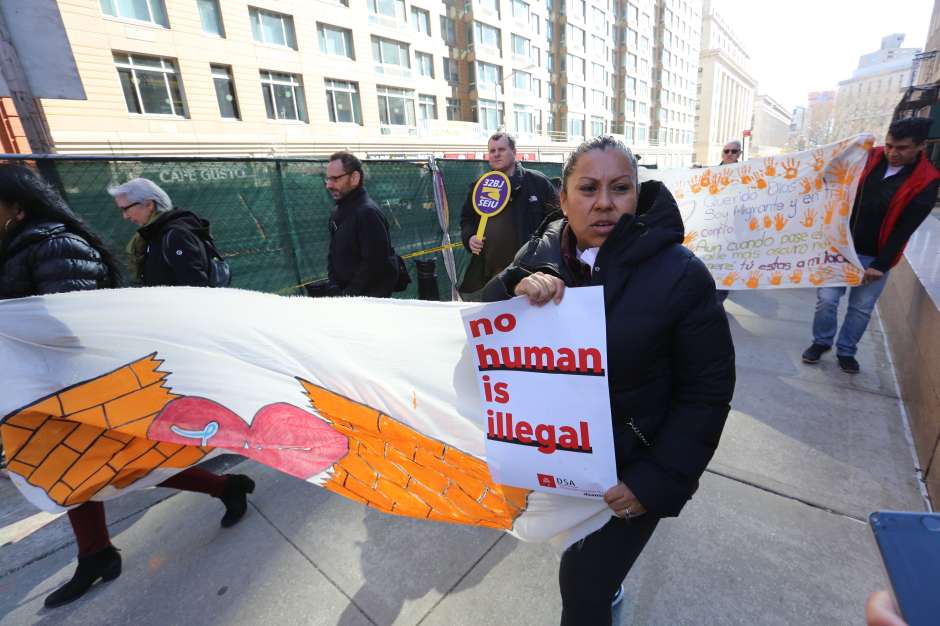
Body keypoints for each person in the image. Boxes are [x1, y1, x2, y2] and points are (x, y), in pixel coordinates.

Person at [481, 136, 735, 625]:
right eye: (588, 188)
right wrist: (513, 288)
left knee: (583, 585)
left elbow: (706, 392)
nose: (603, 203)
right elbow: (481, 322)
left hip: (631, 472)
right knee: (588, 572)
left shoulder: (682, 275)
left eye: (619, 189)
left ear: (636, 196)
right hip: (556, 460)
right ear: (563, 197)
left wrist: (654, 481)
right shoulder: (542, 247)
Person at [0, 165, 254, 608]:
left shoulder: (65, 245)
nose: (122, 216)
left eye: (127, 207)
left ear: (16, 208)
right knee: (88, 470)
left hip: (82, 384)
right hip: (52, 388)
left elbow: (81, 320)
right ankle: (97, 553)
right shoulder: (30, 246)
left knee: (125, 464)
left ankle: (223, 487)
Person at [802, 117, 940, 373]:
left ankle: (846, 351)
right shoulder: (868, 156)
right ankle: (821, 342)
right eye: (889, 145)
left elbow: (905, 228)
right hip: (840, 249)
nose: (892, 153)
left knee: (861, 308)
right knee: (826, 299)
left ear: (921, 146)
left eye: (901, 148)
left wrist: (881, 264)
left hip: (874, 257)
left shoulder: (927, 181)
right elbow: (830, 174)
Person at [459, 133, 559, 296]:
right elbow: (467, 220)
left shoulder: (537, 182)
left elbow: (557, 222)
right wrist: (469, 237)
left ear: (514, 152)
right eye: (492, 151)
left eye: (502, 149)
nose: (496, 154)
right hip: (488, 277)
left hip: (530, 274)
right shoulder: (479, 186)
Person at [107, 177, 218, 287]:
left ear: (149, 204)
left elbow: (196, 286)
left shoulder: (176, 236)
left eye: (125, 209)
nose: (125, 216)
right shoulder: (154, 233)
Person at [324, 151, 399, 297]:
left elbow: (375, 264)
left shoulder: (367, 213)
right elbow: (332, 254)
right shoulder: (338, 211)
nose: (329, 185)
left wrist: (349, 295)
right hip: (349, 299)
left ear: (354, 177)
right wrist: (334, 285)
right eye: (327, 179)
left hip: (368, 303)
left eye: (335, 179)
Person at [715, 140, 742, 304]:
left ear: (740, 154)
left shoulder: (749, 173)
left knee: (726, 266)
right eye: (727, 151)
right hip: (713, 229)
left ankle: (718, 300)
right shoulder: (710, 174)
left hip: (735, 229)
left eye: (734, 151)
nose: (730, 154)